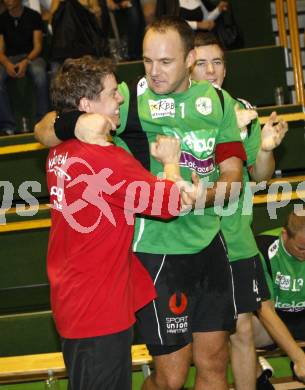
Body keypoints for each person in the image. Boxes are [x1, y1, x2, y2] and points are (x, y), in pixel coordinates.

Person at [35, 16, 247, 390]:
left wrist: (204, 197)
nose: (154, 71)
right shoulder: (129, 98)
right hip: (157, 253)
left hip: (210, 245)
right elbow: (43, 130)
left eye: (165, 62)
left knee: (215, 362)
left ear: (191, 59)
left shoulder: (217, 100)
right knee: (171, 377)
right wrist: (74, 124)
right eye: (147, 61)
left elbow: (233, 178)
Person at [46, 55, 198, 390]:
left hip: (75, 301)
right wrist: (170, 163)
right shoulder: (107, 160)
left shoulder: (60, 150)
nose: (120, 99)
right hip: (99, 308)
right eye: (113, 92)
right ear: (87, 105)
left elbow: (49, 130)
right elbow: (170, 203)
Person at [191, 31, 288, 390]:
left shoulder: (242, 108)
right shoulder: (176, 110)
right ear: (188, 66)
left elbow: (259, 178)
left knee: (243, 329)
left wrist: (263, 148)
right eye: (201, 62)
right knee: (192, 345)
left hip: (235, 235)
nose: (211, 70)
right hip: (192, 239)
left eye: (217, 62)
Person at [254, 212, 305, 385]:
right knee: (236, 327)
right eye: (301, 249)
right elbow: (264, 310)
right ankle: (258, 373)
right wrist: (299, 357)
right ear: (285, 235)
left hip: (302, 317)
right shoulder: (260, 248)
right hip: (270, 322)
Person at [0, 0, 49, 135]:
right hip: (10, 59)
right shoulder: (2, 19)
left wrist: (26, 61)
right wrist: (7, 64)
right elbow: (0, 50)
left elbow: (38, 46)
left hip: (32, 57)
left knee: (40, 75)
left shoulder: (33, 16)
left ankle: (42, 121)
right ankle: (7, 126)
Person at [155, 0, 228, 31]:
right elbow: (171, 23)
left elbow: (206, 19)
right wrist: (198, 25)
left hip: (200, 40)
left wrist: (219, 9)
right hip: (182, 42)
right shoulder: (169, 1)